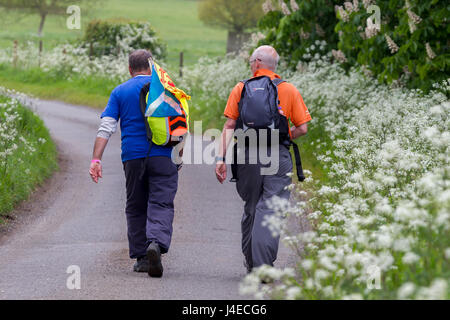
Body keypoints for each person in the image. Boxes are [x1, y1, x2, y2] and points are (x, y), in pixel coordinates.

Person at [215, 45, 311, 273]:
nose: (250, 65)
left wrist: (221, 158)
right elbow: (303, 128)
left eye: (250, 61)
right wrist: (283, 137)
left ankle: (251, 263)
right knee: (270, 209)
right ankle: (263, 266)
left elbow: (229, 125)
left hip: (247, 154)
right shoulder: (288, 89)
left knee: (251, 207)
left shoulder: (241, 88)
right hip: (277, 155)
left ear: (258, 62)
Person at [89, 49, 179, 278]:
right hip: (164, 155)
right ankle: (156, 244)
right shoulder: (168, 89)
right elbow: (180, 126)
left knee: (136, 204)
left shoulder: (119, 92)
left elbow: (106, 127)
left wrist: (96, 159)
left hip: (133, 157)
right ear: (152, 66)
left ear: (130, 69)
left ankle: (141, 258)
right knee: (161, 202)